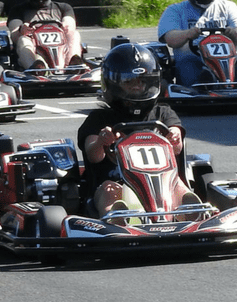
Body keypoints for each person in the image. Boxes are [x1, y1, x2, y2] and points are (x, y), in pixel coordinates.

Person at [77, 42, 197, 216]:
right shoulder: (99, 118)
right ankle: (116, 219)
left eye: (141, 82)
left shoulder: (162, 113)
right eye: (129, 82)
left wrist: (174, 137)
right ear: (113, 84)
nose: (136, 87)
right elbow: (93, 156)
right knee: (109, 190)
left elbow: (177, 145)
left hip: (163, 183)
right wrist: (101, 142)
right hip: (115, 181)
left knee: (177, 184)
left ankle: (192, 212)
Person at [5, 0, 81, 70]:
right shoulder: (18, 10)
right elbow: (14, 32)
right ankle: (36, 67)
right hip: (35, 52)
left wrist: (64, 26)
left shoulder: (64, 8)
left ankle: (73, 63)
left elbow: (69, 25)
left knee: (75, 34)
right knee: (23, 39)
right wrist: (22, 29)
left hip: (62, 51)